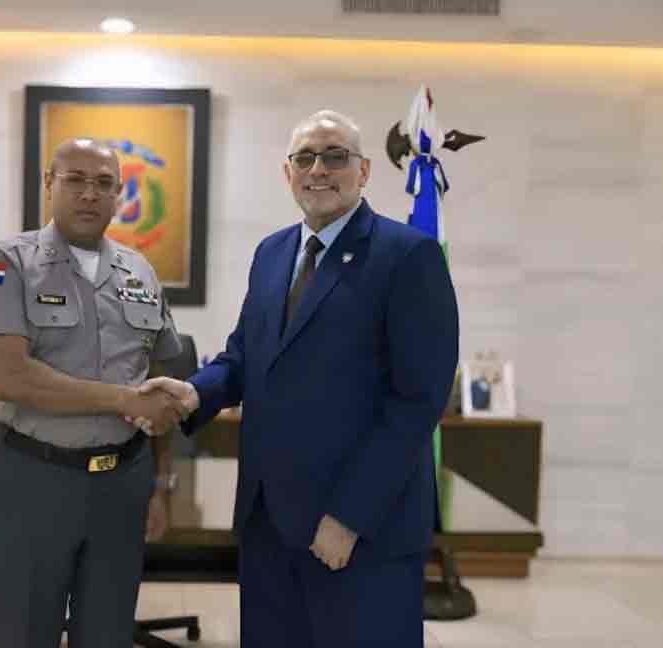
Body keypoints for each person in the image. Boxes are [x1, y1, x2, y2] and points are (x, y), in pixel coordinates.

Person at [139, 111, 460, 646]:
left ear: (364, 171)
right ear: (287, 172)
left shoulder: (408, 256)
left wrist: (349, 517)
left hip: (359, 529)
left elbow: (416, 403)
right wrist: (196, 391)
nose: (319, 169)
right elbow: (246, 355)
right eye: (305, 158)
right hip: (269, 520)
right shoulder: (272, 253)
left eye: (335, 156)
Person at [0, 138, 185, 648]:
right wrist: (123, 400)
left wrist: (159, 480)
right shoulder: (6, 262)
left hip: (123, 482)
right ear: (49, 184)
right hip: (35, 480)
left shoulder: (139, 271)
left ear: (118, 194)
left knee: (107, 633)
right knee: (25, 632)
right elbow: (10, 377)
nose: (90, 194)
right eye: (75, 180)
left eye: (104, 184)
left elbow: (162, 383)